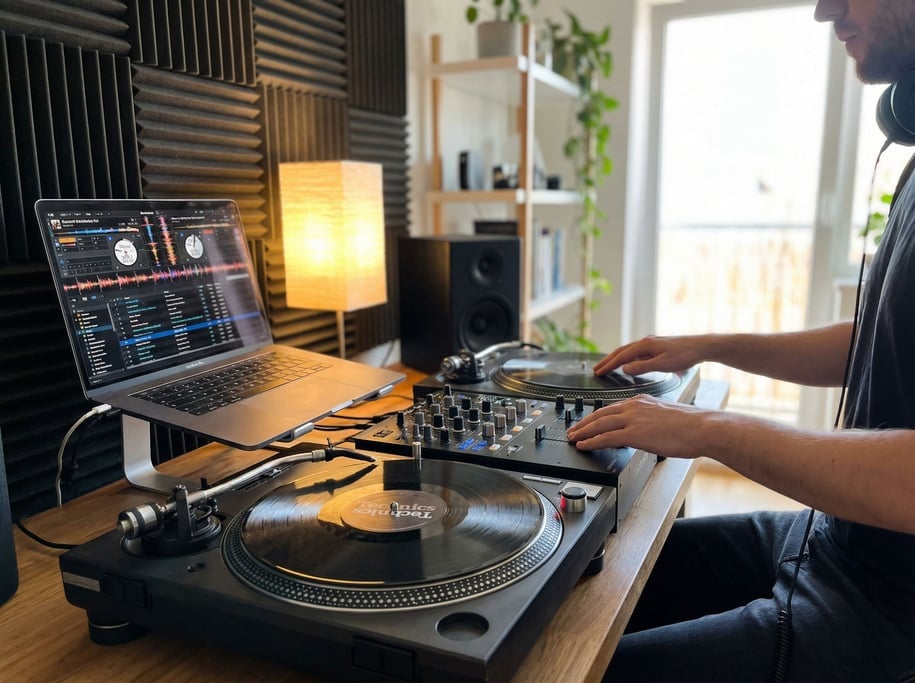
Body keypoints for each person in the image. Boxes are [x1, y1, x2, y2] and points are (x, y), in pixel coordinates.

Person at [566, 1, 915, 681]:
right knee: (589, 568)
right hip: (828, 539)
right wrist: (709, 343)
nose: (825, 10)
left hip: (882, 614)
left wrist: (708, 427)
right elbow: (879, 340)